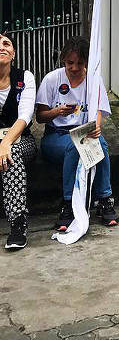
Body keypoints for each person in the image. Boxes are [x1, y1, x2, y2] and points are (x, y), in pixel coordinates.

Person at [36, 37, 119, 231]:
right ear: (63, 60)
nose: (74, 68)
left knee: (102, 143)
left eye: (79, 64)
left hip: (84, 134)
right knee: (75, 146)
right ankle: (68, 204)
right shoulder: (52, 79)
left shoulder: (93, 79)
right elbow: (40, 116)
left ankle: (105, 199)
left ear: (86, 63)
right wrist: (57, 112)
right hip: (56, 136)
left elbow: (99, 110)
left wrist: (97, 127)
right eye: (70, 63)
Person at [0, 35, 37, 249]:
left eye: (6, 44)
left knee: (10, 154)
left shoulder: (25, 77)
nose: (1, 47)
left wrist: (5, 143)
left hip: (21, 140)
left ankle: (17, 224)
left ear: (13, 53)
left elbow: (25, 115)